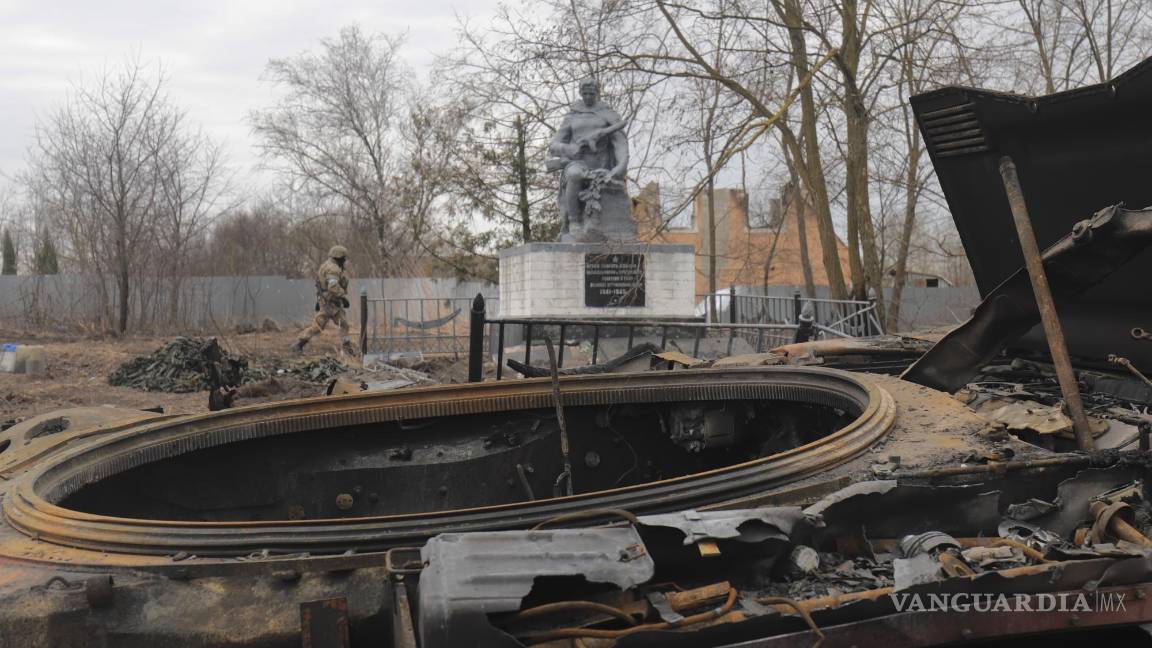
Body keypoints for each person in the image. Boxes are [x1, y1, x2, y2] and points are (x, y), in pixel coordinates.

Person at [546, 78, 629, 238]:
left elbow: (620, 143)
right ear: (580, 93)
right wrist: (569, 149)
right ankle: (574, 221)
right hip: (577, 162)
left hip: (602, 164)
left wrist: (620, 167)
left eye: (592, 93)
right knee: (575, 174)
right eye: (585, 94)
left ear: (597, 93)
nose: (588, 97)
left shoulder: (608, 114)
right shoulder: (573, 115)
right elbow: (554, 145)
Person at [292, 245, 356, 355]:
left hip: (329, 302)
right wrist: (342, 297)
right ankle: (298, 344)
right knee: (318, 326)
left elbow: (322, 285)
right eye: (344, 258)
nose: (345, 260)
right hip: (330, 304)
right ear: (339, 257)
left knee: (342, 325)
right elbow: (332, 286)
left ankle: (347, 349)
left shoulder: (326, 265)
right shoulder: (333, 269)